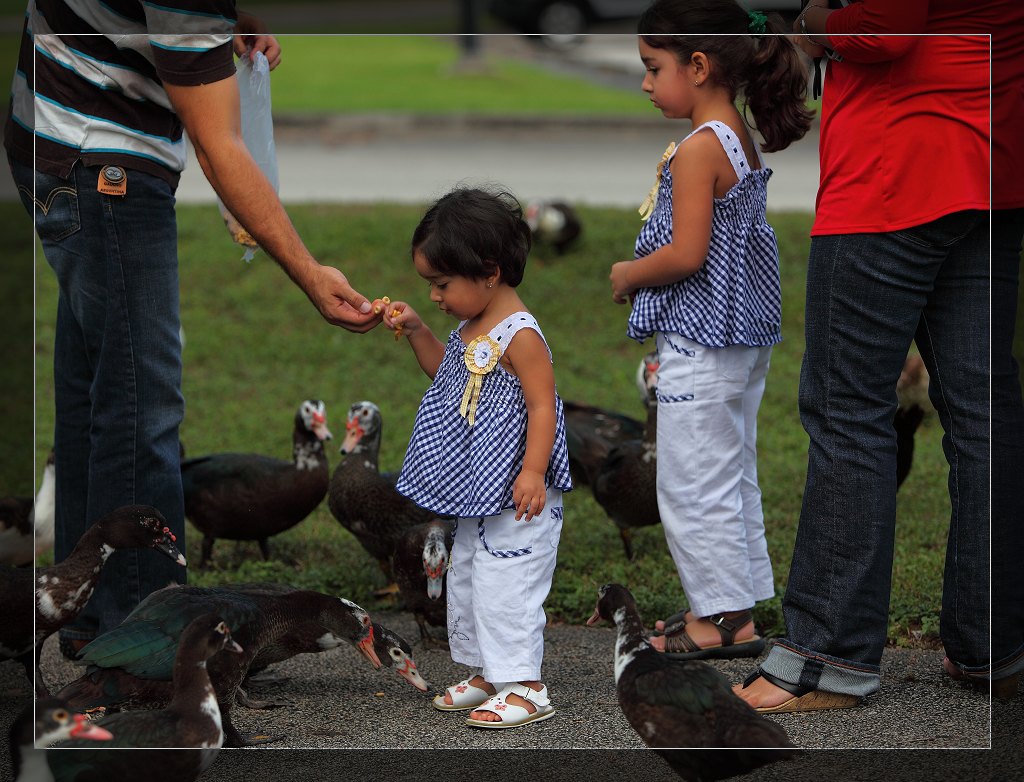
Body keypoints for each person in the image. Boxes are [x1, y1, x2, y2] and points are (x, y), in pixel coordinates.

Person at [6, 2, 378, 653]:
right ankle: (144, 643)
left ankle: (86, 616)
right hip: (106, 166)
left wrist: (222, 22)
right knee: (140, 409)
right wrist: (309, 272)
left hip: (50, 134)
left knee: (96, 392)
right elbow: (219, 143)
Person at [734, 0, 1021, 713]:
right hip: (996, 153)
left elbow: (880, 26)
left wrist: (806, 21)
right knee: (985, 411)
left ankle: (828, 658)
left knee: (847, 409)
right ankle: (996, 646)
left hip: (895, 168)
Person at [607, 0, 812, 660]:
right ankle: (732, 610)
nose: (644, 83)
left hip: (704, 340)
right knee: (730, 475)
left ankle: (719, 620)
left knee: (691, 483)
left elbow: (687, 254)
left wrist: (631, 271)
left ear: (698, 66)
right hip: (742, 338)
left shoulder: (701, 149)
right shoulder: (735, 136)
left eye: (651, 67)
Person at [379, 186, 573, 729]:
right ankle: (492, 672)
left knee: (507, 581)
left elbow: (542, 406)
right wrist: (418, 330)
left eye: (441, 284)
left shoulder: (521, 335)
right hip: (480, 488)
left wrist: (534, 470)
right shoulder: (470, 327)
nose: (436, 296)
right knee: (470, 575)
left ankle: (527, 686)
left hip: (518, 490)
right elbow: (448, 375)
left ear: (488, 271)